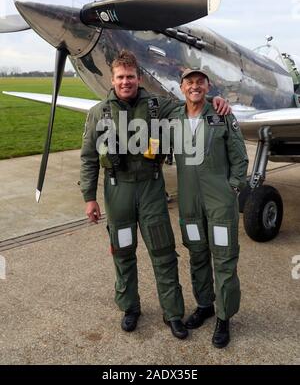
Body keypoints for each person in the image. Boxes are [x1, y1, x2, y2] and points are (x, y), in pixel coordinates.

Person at [80, 50, 230, 339]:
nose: (126, 82)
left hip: (150, 189)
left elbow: (190, 102)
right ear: (112, 80)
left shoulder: (157, 106)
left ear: (139, 78)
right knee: (123, 252)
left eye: (131, 77)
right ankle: (130, 308)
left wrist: (214, 100)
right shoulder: (99, 113)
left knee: (163, 253)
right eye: (121, 77)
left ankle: (173, 313)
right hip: (117, 191)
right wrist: (89, 197)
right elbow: (88, 157)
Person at [171, 67, 248, 348]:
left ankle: (224, 317)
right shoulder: (173, 118)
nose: (194, 86)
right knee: (197, 255)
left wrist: (233, 189)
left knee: (224, 259)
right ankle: (205, 305)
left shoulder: (221, 114)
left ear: (207, 87)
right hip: (189, 203)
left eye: (200, 82)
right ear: (181, 88)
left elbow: (239, 158)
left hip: (219, 202)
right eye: (189, 82)